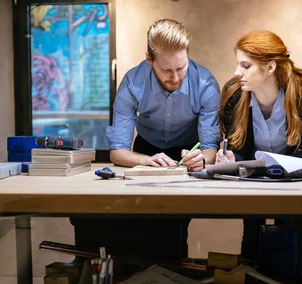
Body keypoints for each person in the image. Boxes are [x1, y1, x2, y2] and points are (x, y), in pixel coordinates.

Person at [71, 19, 221, 260]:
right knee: (142, 218)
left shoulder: (206, 84)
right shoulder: (132, 82)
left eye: (181, 68)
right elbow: (118, 152)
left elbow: (210, 148)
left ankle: (174, 270)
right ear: (149, 59)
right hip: (145, 151)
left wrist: (202, 158)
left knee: (176, 223)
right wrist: (145, 160)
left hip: (188, 151)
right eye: (166, 70)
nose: (175, 77)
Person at [216, 30, 302, 258]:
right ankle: (251, 282)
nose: (237, 72)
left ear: (270, 67)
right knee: (252, 233)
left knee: (288, 236)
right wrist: (230, 159)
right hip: (252, 181)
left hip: (291, 180)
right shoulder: (234, 94)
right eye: (238, 65)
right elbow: (238, 150)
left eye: (246, 66)